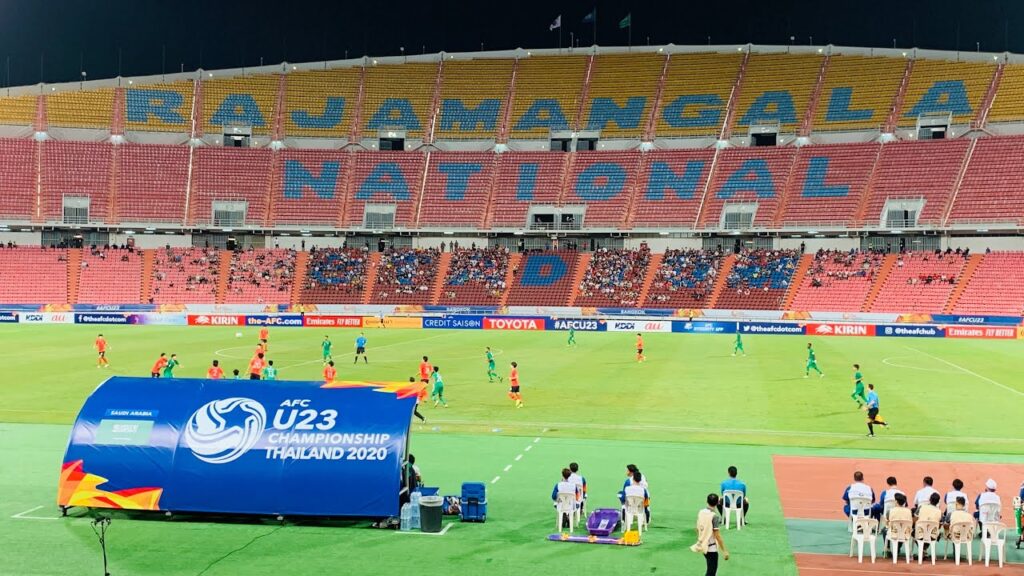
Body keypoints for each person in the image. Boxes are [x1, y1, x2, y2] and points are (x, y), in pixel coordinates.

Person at [691, 494, 729, 576]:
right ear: (717, 503)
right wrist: (724, 551)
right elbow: (717, 535)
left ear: (707, 501)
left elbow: (697, 528)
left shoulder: (701, 512)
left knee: (710, 570)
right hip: (711, 548)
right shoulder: (714, 516)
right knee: (711, 572)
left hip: (702, 545)